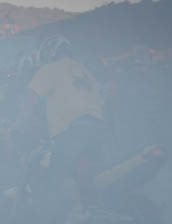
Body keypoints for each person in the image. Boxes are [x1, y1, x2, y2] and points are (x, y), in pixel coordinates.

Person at [14, 35, 107, 209]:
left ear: (48, 54)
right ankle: (94, 207)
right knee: (84, 175)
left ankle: (76, 212)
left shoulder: (51, 68)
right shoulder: (85, 72)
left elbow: (30, 100)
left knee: (59, 172)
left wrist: (18, 128)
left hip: (73, 130)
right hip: (98, 128)